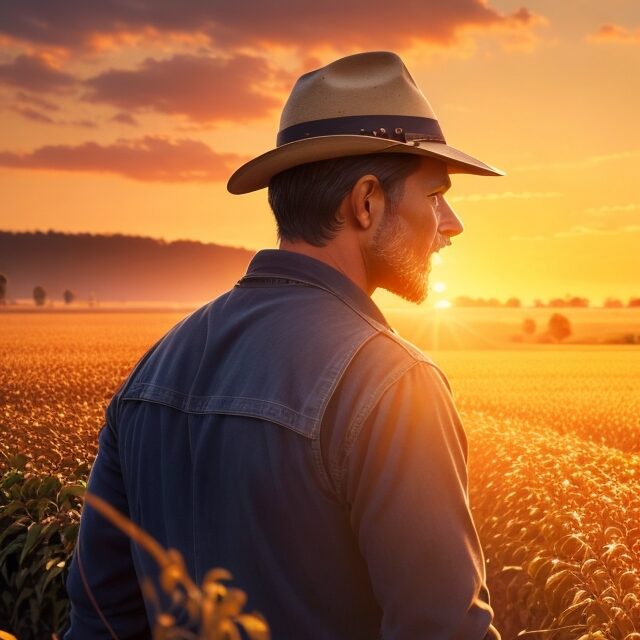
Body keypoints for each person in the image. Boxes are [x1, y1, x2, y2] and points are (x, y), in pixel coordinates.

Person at [64, 51, 504, 639]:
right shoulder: (393, 384)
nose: (451, 223)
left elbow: (100, 619)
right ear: (366, 202)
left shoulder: (152, 371)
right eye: (434, 196)